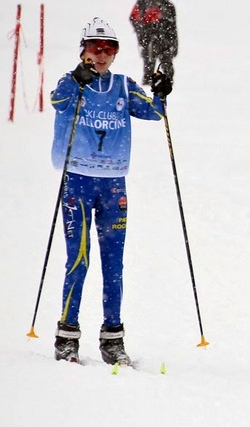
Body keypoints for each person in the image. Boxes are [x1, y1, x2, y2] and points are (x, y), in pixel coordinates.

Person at [50, 17, 173, 365]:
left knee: (113, 264)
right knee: (79, 259)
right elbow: (57, 101)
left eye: (109, 49)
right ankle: (67, 335)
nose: (102, 56)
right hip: (77, 181)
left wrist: (162, 91)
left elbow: (152, 112)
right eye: (95, 48)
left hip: (113, 184)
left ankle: (112, 339)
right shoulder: (71, 82)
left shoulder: (123, 85)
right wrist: (77, 78)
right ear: (83, 50)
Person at [129, 0, 178, 85]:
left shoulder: (166, 6)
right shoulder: (143, 4)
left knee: (162, 63)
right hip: (152, 40)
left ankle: (166, 83)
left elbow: (172, 28)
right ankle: (151, 83)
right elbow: (134, 18)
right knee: (151, 63)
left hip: (160, 40)